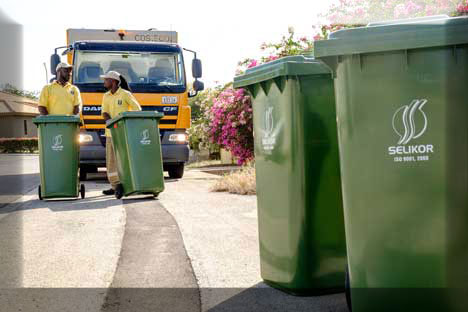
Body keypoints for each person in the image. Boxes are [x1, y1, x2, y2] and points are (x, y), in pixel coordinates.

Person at [100, 71, 141, 197]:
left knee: (123, 160)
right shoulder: (106, 96)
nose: (104, 82)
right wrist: (110, 122)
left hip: (123, 134)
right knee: (111, 161)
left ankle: (126, 184)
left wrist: (126, 120)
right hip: (110, 133)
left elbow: (137, 109)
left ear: (113, 81)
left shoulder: (125, 94)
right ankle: (115, 186)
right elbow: (104, 112)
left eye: (106, 80)